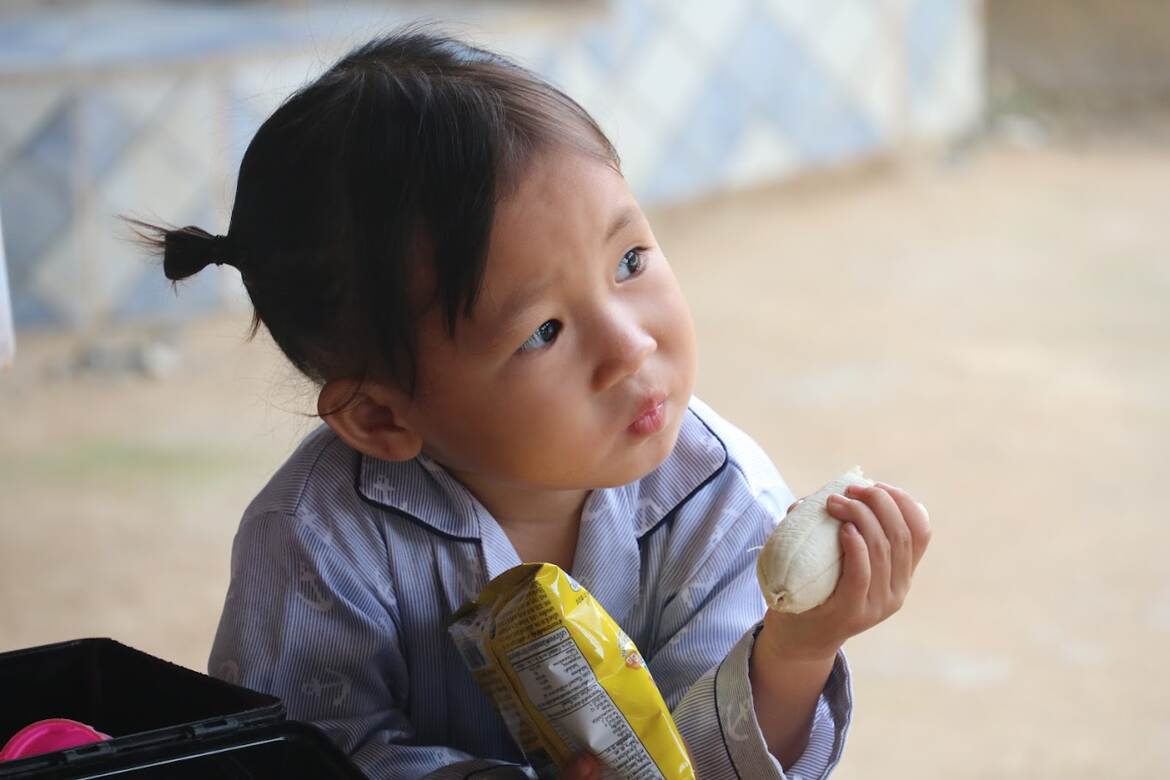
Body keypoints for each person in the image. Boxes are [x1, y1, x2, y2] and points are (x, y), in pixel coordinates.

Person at [132, 29, 931, 780]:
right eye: (543, 331)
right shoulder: (316, 543)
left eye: (629, 261)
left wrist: (794, 654)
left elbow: (704, 761)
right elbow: (295, 754)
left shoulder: (717, 500)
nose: (630, 346)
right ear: (381, 418)